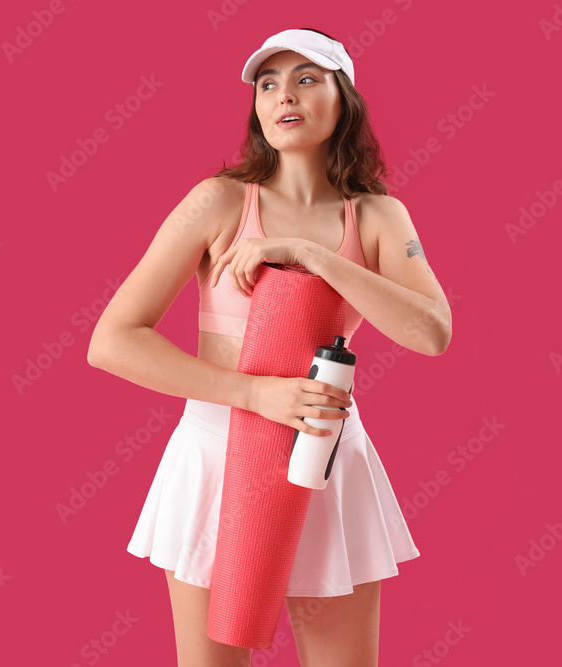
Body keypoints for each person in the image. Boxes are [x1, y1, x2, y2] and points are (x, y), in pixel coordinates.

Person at [87, 27, 452, 667]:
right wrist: (255, 393)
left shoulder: (376, 217)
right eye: (268, 83)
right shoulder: (218, 202)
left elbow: (431, 332)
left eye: (307, 78)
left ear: (345, 99)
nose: (285, 95)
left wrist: (311, 255)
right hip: (216, 453)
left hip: (322, 454)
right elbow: (112, 340)